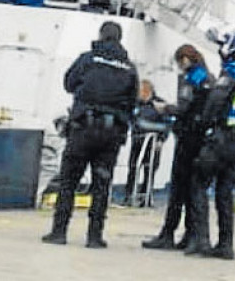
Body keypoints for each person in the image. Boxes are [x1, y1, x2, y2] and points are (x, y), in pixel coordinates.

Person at [42, 21, 138, 248]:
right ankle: (94, 236)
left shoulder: (88, 58)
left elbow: (69, 82)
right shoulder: (129, 68)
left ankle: (59, 231)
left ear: (101, 35)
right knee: (102, 184)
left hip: (84, 128)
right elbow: (133, 100)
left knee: (69, 181)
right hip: (111, 133)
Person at [185, 27, 235, 260]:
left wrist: (203, 125)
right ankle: (226, 244)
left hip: (222, 138)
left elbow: (215, 101)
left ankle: (201, 240)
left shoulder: (232, 72)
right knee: (224, 191)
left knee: (198, 183)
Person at [142, 44, 213, 250]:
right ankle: (191, 234)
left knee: (178, 189)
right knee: (194, 189)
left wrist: (165, 109)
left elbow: (183, 107)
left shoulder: (191, 79)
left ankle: (168, 233)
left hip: (188, 138)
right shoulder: (209, 77)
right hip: (202, 139)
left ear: (184, 60)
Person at [123, 79, 169, 207]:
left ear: (147, 91)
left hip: (153, 143)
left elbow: (166, 124)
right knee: (133, 167)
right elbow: (131, 119)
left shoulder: (159, 104)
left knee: (150, 169)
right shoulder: (135, 104)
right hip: (137, 140)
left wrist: (161, 140)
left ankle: (146, 197)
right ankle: (129, 196)